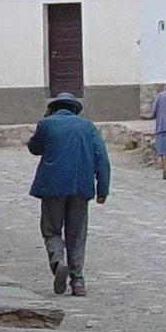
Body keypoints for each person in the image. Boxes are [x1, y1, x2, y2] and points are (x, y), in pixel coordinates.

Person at [27, 91, 111, 297]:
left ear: (53, 107)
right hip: (81, 188)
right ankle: (78, 281)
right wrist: (103, 189)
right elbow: (102, 158)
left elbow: (34, 148)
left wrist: (45, 120)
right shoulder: (88, 126)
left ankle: (58, 262)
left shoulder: (46, 124)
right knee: (77, 234)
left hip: (52, 187)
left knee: (51, 230)